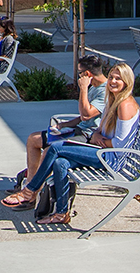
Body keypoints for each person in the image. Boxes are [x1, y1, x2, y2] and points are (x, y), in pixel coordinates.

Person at [0, 59, 140, 225]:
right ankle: (62, 214)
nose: (113, 81)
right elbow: (100, 128)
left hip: (111, 158)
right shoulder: (114, 100)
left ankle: (29, 191)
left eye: (118, 79)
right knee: (60, 163)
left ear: (127, 82)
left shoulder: (124, 105)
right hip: (102, 150)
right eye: (111, 77)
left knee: (56, 149)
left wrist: (100, 139)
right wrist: (97, 135)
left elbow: (121, 145)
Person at [13, 54, 110, 184]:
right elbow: (83, 118)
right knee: (33, 139)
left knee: (49, 150)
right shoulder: (95, 87)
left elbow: (87, 114)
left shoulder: (104, 91)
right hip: (78, 130)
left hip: (88, 136)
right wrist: (64, 125)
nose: (79, 76)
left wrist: (83, 89)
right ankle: (29, 182)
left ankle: (34, 192)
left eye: (80, 73)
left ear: (87, 74)